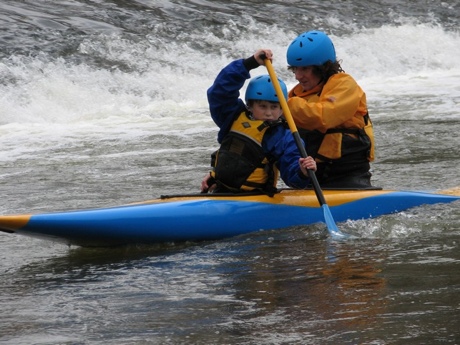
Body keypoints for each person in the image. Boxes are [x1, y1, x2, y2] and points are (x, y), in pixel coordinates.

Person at [201, 49, 317, 194]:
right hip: (220, 190)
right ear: (249, 106)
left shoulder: (284, 137)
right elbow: (219, 92)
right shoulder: (232, 116)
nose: (268, 112)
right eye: (262, 106)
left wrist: (302, 171)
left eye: (274, 107)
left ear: (282, 110)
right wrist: (249, 63)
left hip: (255, 197)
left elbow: (292, 178)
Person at [286, 30, 376, 189]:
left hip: (348, 175)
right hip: (311, 175)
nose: (298, 76)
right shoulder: (296, 95)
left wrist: (284, 106)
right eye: (295, 69)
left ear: (323, 67)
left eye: (304, 69)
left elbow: (323, 117)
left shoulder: (345, 85)